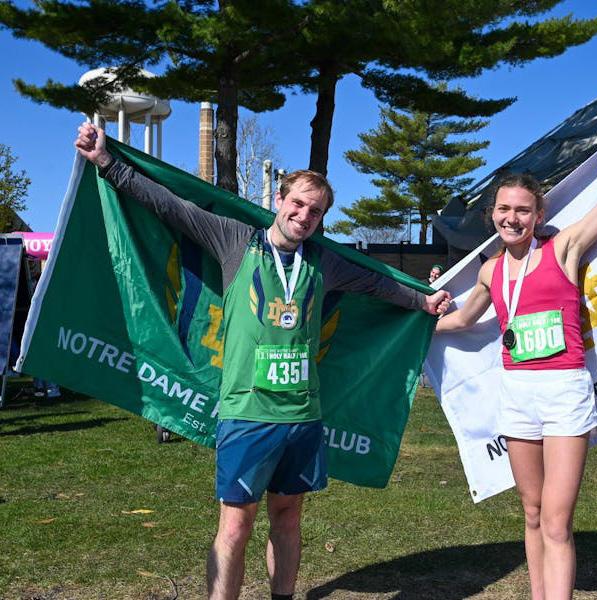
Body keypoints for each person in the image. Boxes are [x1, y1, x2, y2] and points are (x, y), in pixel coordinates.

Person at [75, 122, 451, 600]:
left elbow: (377, 284)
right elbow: (170, 207)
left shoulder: (324, 263)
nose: (304, 215)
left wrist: (422, 301)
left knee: (287, 518)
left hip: (302, 417)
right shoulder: (235, 241)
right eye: (298, 203)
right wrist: (106, 162)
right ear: (279, 199)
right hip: (247, 415)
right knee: (235, 525)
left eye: (315, 211)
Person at [435, 85, 597, 599]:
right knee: (531, 513)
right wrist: (413, 315)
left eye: (522, 210)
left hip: (564, 393)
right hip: (516, 396)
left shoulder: (564, 247)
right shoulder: (489, 271)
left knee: (556, 521)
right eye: (504, 209)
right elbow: (460, 321)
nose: (512, 218)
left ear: (538, 213)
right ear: (492, 214)